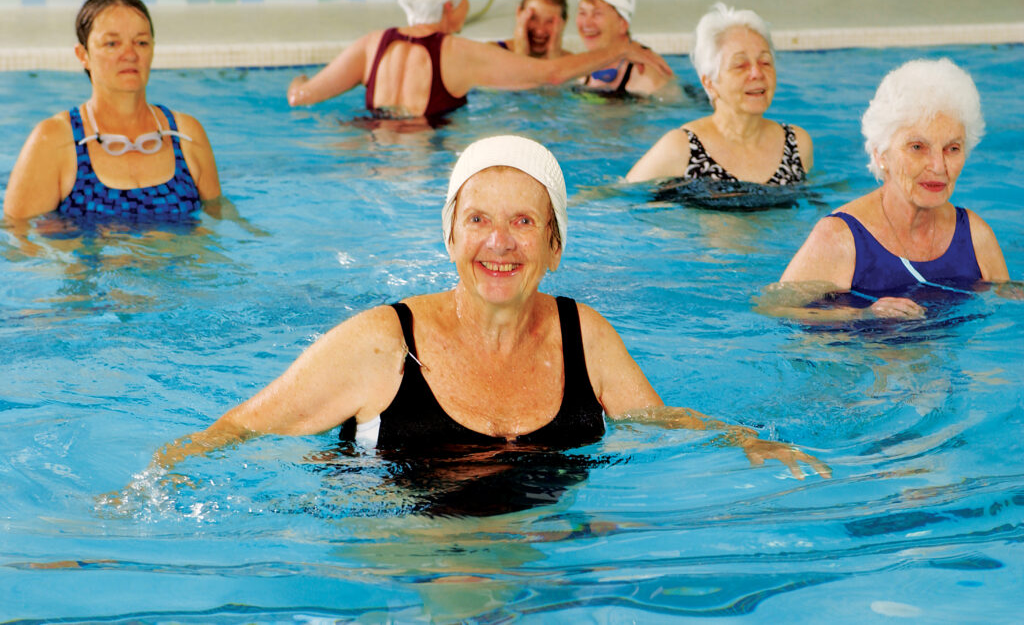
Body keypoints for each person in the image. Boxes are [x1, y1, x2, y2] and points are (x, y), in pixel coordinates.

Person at [154, 135, 829, 482]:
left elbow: (654, 418)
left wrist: (742, 437)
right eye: (477, 218)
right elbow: (238, 429)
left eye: (523, 223)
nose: (499, 242)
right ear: (448, 235)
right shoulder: (383, 342)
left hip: (540, 558)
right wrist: (146, 488)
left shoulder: (583, 335)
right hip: (400, 561)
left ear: (555, 245)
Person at [773, 58, 1010, 320]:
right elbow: (773, 311)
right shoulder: (840, 238)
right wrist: (861, 316)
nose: (938, 166)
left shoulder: (975, 236)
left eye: (952, 148)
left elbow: (1008, 316)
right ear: (881, 153)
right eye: (917, 147)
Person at [286, 0, 669, 119]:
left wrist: (299, 80)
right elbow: (552, 74)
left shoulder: (372, 44)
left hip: (371, 162)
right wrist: (619, 48)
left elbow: (300, 97)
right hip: (424, 175)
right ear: (451, 6)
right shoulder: (457, 53)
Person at [4, 0, 220, 221]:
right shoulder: (54, 140)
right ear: (83, 55)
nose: (130, 54)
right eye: (112, 44)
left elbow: (219, 222)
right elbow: (20, 242)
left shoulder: (186, 134)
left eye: (141, 42)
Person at [627, 2, 812, 184]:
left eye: (765, 62)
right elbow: (619, 196)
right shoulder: (682, 148)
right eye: (740, 65)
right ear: (709, 83)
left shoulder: (796, 144)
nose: (757, 73)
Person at [575, 0, 674, 97]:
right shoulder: (580, 71)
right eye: (582, 13)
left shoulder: (646, 74)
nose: (586, 23)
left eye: (597, 14)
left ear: (623, 24)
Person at [495, 0, 570, 59]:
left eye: (550, 21)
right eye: (533, 18)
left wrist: (554, 58)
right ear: (519, 13)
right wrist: (521, 52)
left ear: (564, 22)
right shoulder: (493, 51)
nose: (540, 31)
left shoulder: (573, 64)